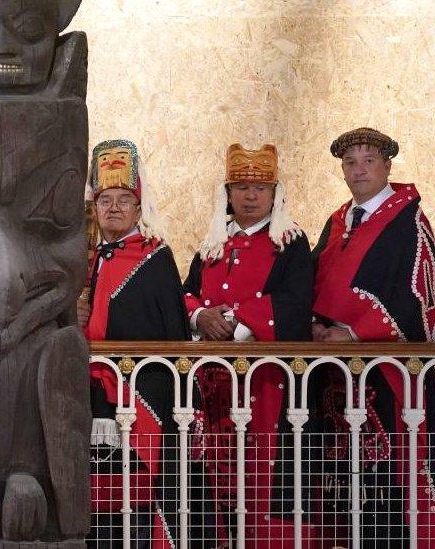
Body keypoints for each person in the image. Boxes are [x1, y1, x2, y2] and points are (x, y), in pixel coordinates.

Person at [183, 143, 315, 547]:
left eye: (260, 188)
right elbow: (186, 293)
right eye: (241, 187)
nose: (251, 196)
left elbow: (295, 300)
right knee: (210, 476)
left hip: (266, 384)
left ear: (275, 193)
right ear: (228, 192)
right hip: (209, 383)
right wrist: (199, 316)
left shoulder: (290, 243)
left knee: (259, 475)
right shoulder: (211, 242)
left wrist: (239, 321)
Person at [310, 127, 435, 545]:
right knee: (339, 485)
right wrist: (312, 323)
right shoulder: (337, 220)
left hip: (388, 373)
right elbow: (313, 279)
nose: (359, 169)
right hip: (336, 376)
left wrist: (357, 333)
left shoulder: (408, 221)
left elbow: (417, 294)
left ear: (387, 167)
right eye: (350, 162)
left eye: (368, 160)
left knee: (386, 488)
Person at [76, 140, 190, 547]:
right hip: (88, 395)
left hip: (142, 395)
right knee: (98, 499)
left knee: (139, 496)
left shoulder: (156, 256)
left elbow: (173, 334)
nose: (114, 208)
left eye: (125, 199)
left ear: (139, 207)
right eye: (106, 199)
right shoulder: (84, 259)